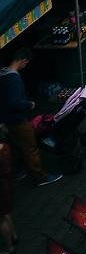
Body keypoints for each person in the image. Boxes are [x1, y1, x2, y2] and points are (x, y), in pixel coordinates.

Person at [1, 50, 58, 188]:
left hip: (6, 120)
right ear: (23, 60)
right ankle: (40, 177)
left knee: (16, 146)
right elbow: (14, 102)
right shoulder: (14, 79)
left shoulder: (3, 74)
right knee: (30, 148)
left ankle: (19, 171)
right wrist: (29, 104)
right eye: (26, 63)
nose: (26, 65)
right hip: (18, 120)